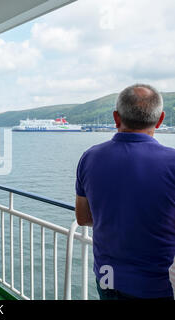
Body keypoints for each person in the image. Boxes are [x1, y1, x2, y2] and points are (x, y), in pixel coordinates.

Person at [75, 84, 175, 300]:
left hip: (107, 277)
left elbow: (82, 218)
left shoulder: (90, 157)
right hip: (155, 285)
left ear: (116, 117)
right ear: (160, 119)